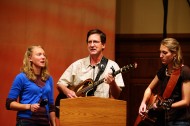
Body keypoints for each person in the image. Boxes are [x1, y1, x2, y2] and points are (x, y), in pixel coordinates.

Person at [57, 29, 125, 99]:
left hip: (102, 108)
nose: (92, 45)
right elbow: (60, 84)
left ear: (103, 45)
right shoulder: (77, 65)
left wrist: (112, 83)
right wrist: (67, 91)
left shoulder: (112, 66)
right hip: (78, 108)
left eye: (95, 42)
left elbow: (117, 95)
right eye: (89, 42)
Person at [138, 38, 190, 126]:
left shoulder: (185, 71)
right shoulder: (163, 70)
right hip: (163, 118)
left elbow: (186, 101)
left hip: (180, 121)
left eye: (165, 53)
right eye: (160, 52)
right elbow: (149, 88)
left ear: (174, 54)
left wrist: (166, 105)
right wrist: (143, 102)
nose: (160, 55)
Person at [6, 45, 56, 126]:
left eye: (44, 55)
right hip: (26, 121)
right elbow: (9, 104)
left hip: (44, 122)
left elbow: (51, 106)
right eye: (39, 54)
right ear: (30, 58)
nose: (43, 57)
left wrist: (54, 124)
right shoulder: (21, 77)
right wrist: (29, 106)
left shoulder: (49, 79)